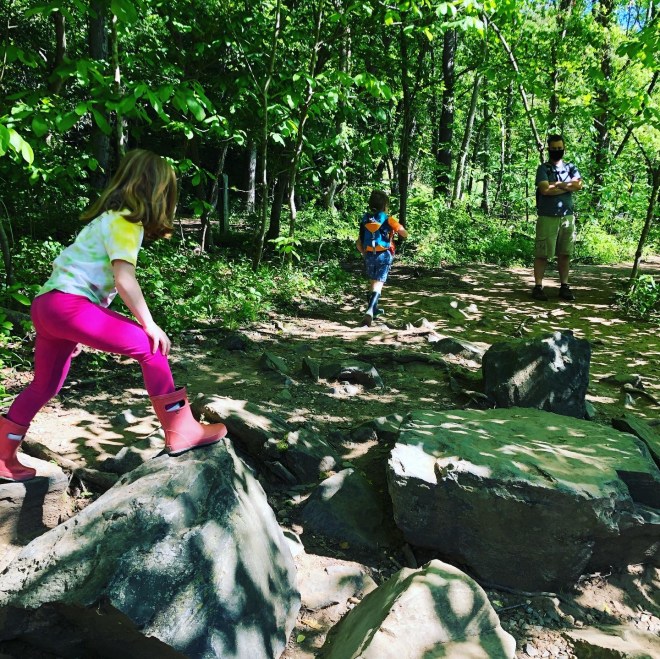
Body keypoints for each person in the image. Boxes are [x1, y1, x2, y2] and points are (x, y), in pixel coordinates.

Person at [0, 149, 227, 482]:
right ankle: (182, 430)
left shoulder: (107, 218)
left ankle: (3, 455)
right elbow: (124, 280)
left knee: (45, 384)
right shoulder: (126, 222)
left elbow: (78, 272)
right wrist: (149, 324)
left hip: (48, 305)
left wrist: (72, 330)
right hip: (69, 306)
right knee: (151, 346)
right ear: (157, 191)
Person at [533, 134, 583, 301]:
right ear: (549, 149)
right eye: (554, 148)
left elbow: (578, 185)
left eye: (559, 148)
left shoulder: (571, 167)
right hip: (547, 216)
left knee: (565, 253)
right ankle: (538, 287)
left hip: (567, 217)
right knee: (542, 253)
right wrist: (567, 186)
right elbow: (544, 190)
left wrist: (557, 184)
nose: (557, 151)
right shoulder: (543, 169)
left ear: (564, 148)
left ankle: (564, 286)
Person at [356, 190, 408, 326]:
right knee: (378, 284)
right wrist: (399, 229)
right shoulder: (388, 219)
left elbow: (358, 242)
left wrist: (364, 253)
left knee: (373, 282)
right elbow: (404, 233)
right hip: (384, 254)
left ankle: (374, 309)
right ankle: (369, 312)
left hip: (369, 254)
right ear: (385, 205)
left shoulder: (365, 219)